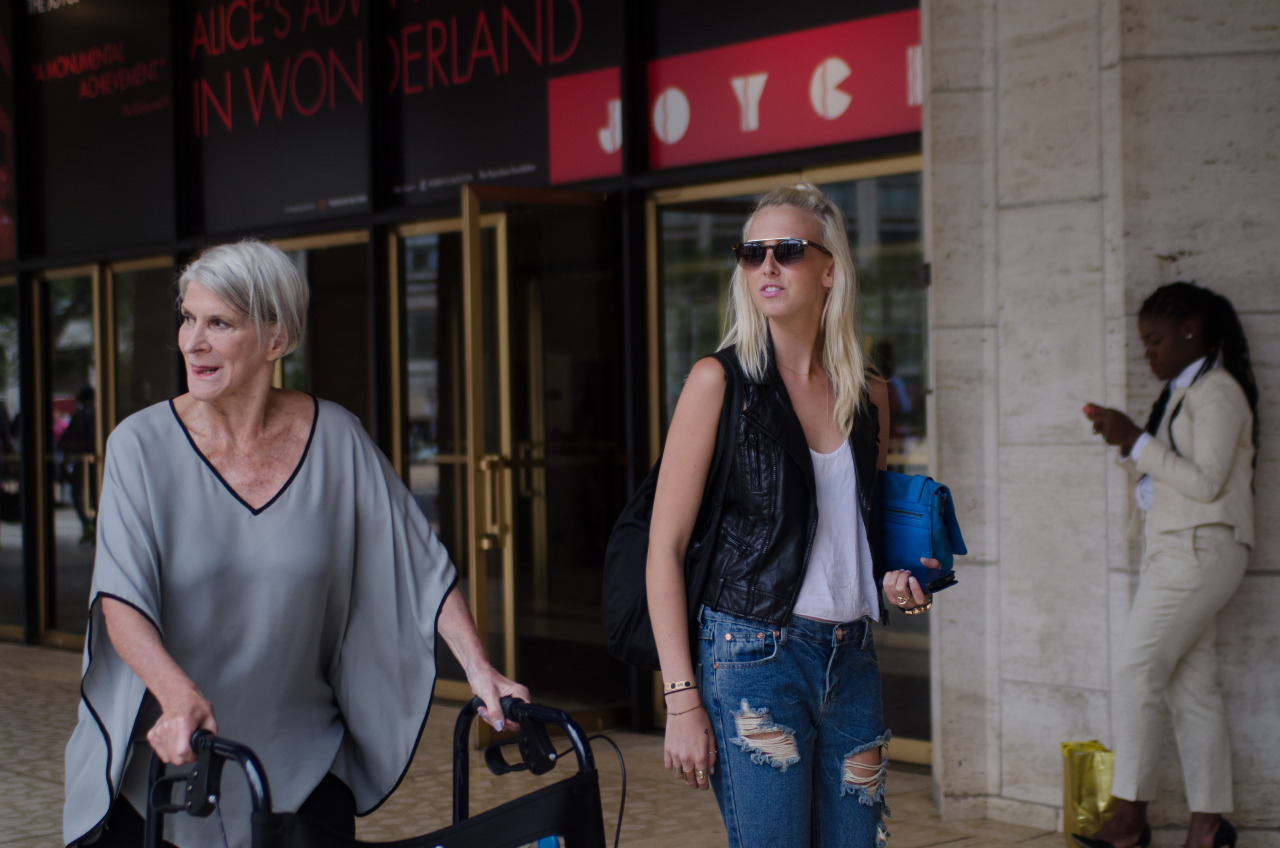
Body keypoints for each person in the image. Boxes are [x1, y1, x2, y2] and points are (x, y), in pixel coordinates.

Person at [63, 240, 528, 848]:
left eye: (219, 323)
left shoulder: (336, 437)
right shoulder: (139, 447)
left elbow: (422, 564)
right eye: (187, 317)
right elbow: (120, 598)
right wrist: (177, 695)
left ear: (276, 340)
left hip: (303, 770)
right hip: (166, 769)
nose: (191, 341)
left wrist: (478, 668)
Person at [646, 183, 937, 848]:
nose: (766, 266)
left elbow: (859, 535)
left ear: (830, 269)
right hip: (752, 658)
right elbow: (664, 546)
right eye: (751, 253)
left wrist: (898, 580)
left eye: (787, 250)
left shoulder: (868, 394)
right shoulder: (717, 383)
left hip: (852, 658)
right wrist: (681, 698)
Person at [1080, 282, 1257, 848]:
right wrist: (1131, 444)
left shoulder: (1217, 392)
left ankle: (1130, 818)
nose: (1148, 353)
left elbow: (1207, 482)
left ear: (1191, 330)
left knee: (1136, 671)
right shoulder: (1183, 394)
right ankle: (1208, 825)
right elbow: (1171, 477)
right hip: (1178, 549)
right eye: (1142, 343)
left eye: (1155, 340)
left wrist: (1136, 439)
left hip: (1200, 548)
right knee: (1192, 687)